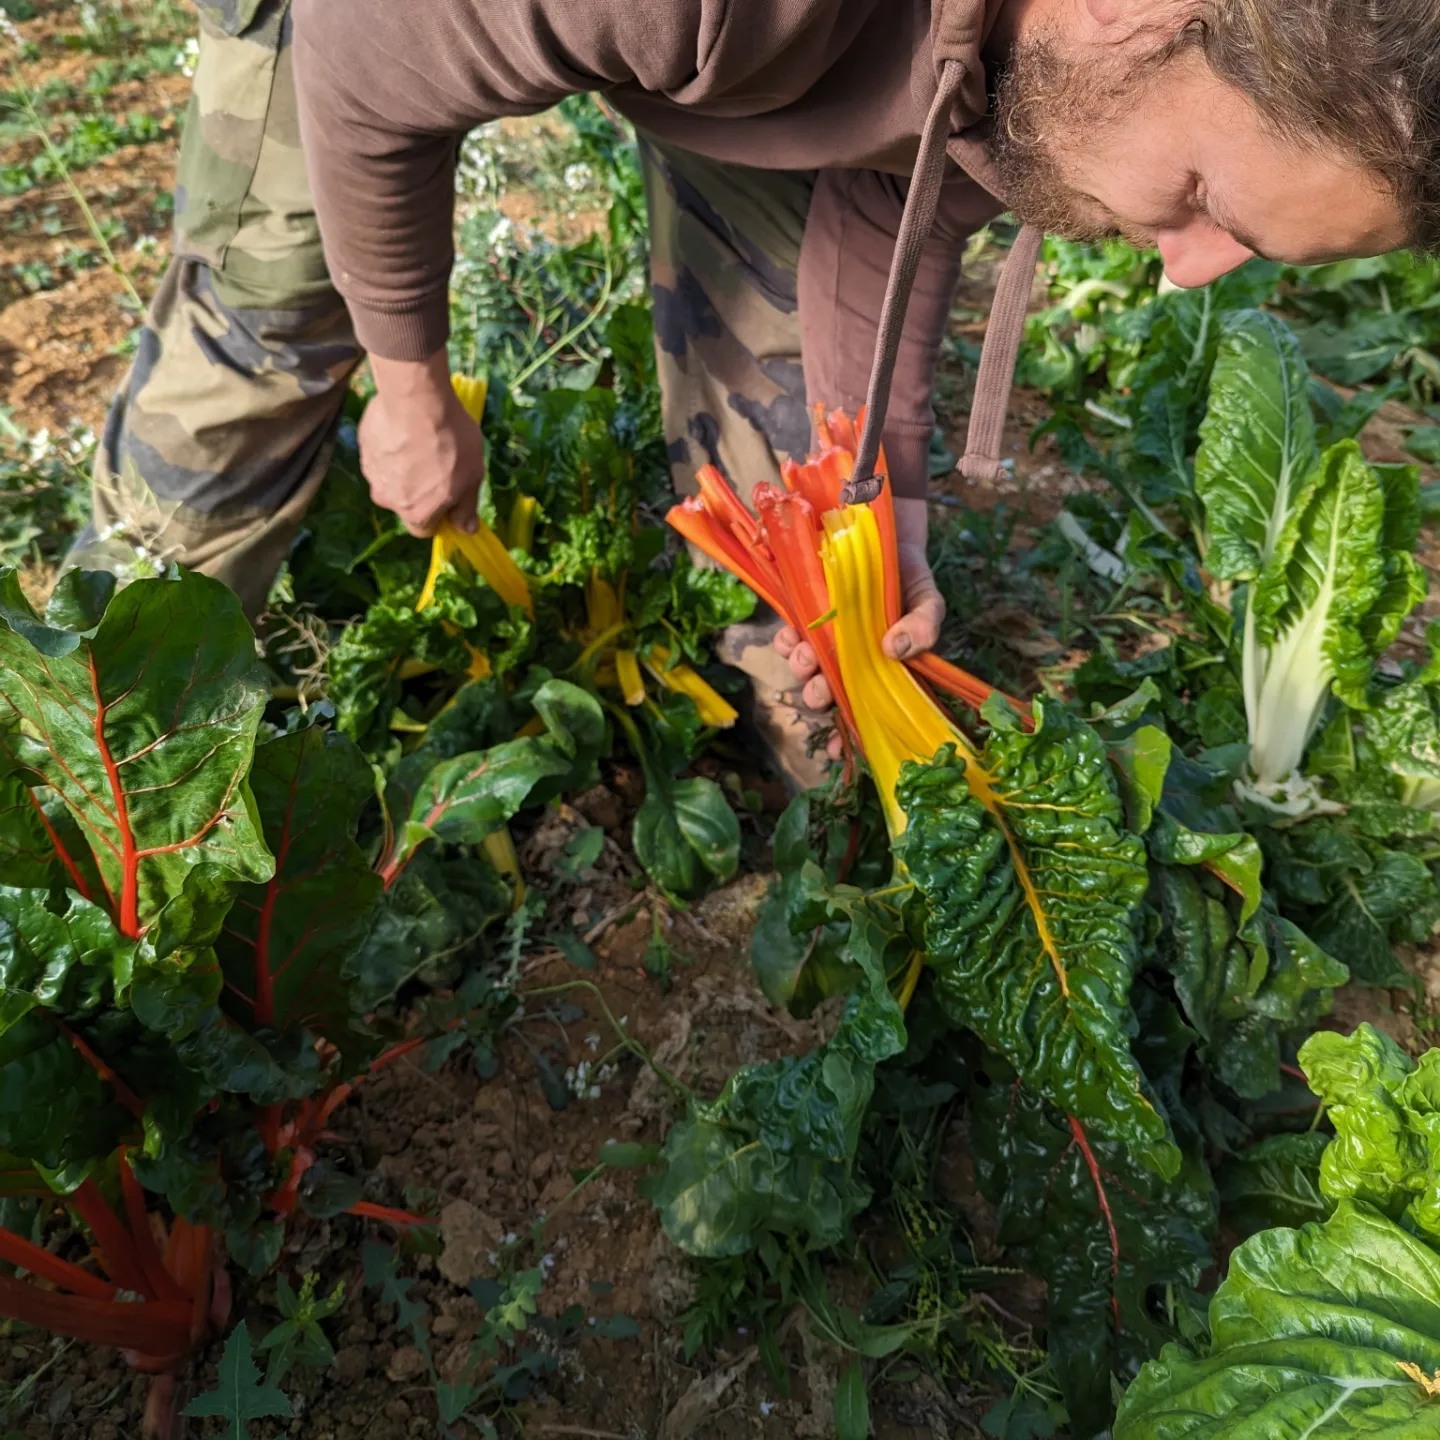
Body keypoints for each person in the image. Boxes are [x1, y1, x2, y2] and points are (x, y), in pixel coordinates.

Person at [72, 0, 1423, 784]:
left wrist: (870, 512)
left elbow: (896, 203)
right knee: (271, 318)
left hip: (769, 45)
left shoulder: (1069, 65)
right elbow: (368, 71)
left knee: (804, 452)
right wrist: (411, 383)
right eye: (1204, 202)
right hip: (367, 21)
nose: (1189, 270)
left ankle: (736, 716)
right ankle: (89, 752)